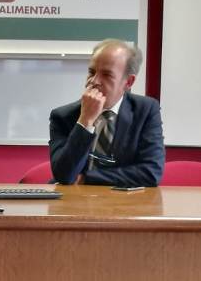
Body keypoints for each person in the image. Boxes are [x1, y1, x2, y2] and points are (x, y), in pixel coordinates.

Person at [49, 39, 164, 186]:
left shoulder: (146, 110)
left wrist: (87, 178)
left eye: (107, 75)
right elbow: (64, 176)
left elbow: (150, 173)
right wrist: (85, 121)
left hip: (123, 199)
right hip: (74, 198)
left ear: (128, 82)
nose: (94, 81)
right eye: (91, 72)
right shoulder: (62, 116)